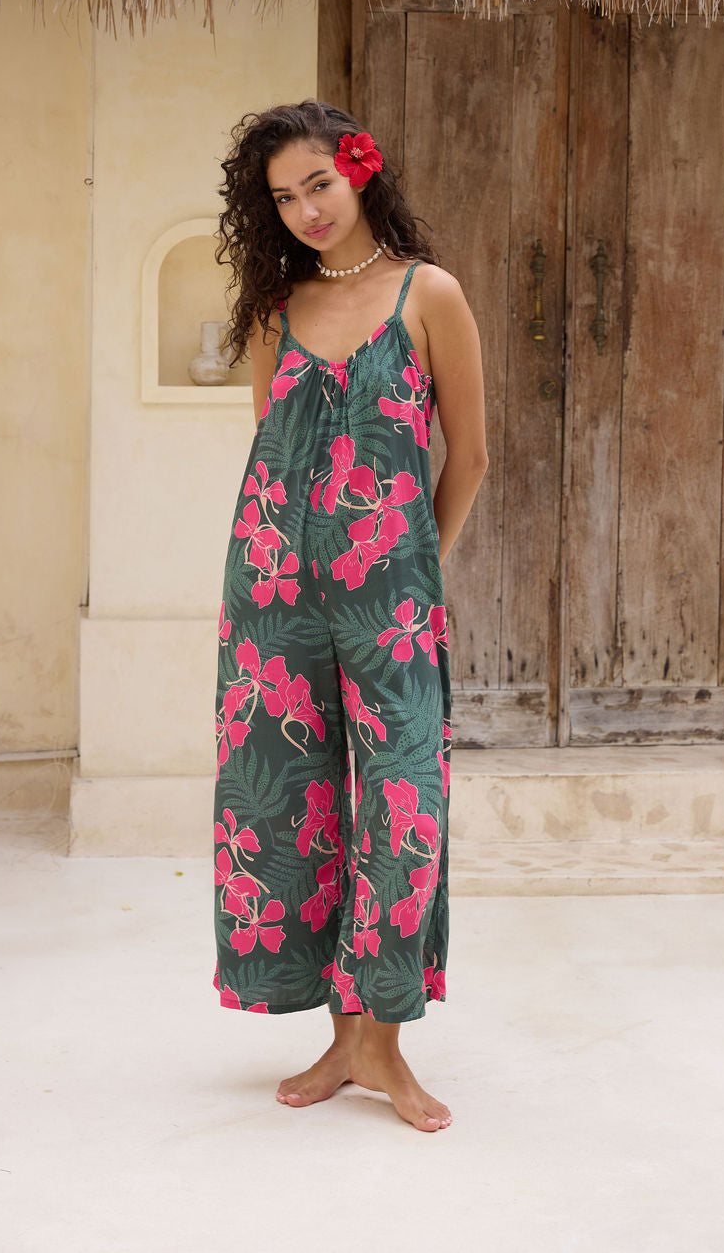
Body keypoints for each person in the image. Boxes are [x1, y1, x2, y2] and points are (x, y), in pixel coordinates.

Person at [210, 99, 488, 1133]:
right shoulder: (272, 310)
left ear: (359, 171)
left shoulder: (431, 294)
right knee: (293, 806)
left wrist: (414, 564)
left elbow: (471, 452)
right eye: (282, 196)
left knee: (403, 806)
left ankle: (386, 1038)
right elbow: (268, 457)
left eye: (317, 183)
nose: (304, 208)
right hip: (273, 599)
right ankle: (342, 1035)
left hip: (393, 604)